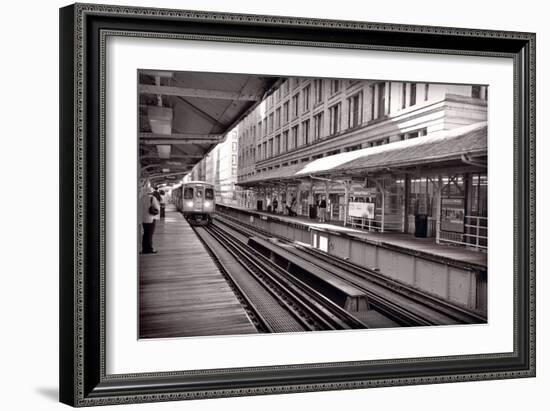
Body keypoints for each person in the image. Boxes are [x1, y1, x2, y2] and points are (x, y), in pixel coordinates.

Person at [141, 189, 160, 254]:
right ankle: (149, 249)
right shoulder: (152, 198)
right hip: (151, 219)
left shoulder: (142, 198)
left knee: (145, 234)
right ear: (151, 192)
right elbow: (157, 208)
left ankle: (144, 249)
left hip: (143, 219)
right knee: (149, 235)